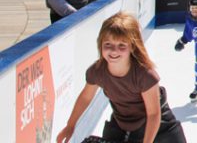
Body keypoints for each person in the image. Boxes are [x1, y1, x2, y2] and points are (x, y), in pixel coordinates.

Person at [56, 12, 187, 143]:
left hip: (160, 128)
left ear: (132, 46)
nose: (114, 51)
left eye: (121, 46)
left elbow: (153, 114)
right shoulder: (97, 71)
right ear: (100, 44)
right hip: (122, 125)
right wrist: (70, 125)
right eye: (108, 44)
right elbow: (86, 97)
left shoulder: (145, 75)